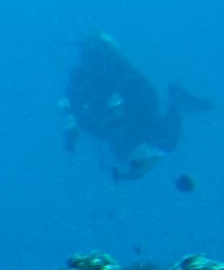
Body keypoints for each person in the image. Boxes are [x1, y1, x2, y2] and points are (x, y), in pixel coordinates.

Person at [64, 33, 209, 182]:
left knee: (157, 144)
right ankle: (176, 101)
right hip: (125, 120)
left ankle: (176, 101)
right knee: (152, 145)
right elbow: (73, 108)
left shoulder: (96, 75)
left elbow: (74, 109)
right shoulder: (101, 73)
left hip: (129, 119)